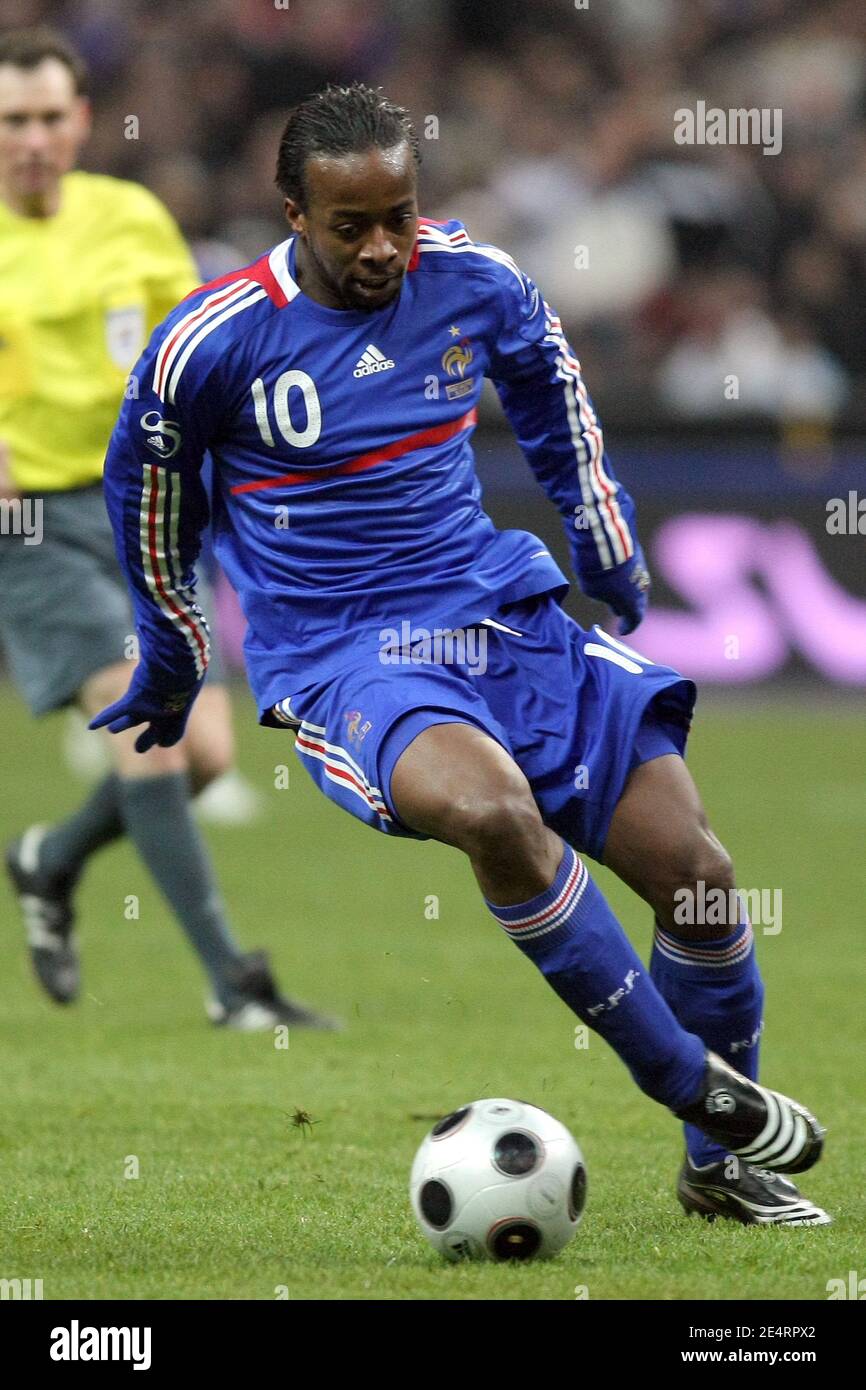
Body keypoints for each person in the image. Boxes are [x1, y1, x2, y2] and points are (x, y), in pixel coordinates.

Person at [94, 82, 828, 1224]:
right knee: (491, 813)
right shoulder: (214, 338)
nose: (385, 245)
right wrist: (174, 649)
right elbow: (146, 484)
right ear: (293, 211)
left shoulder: (474, 278)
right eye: (352, 226)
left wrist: (600, 533)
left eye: (400, 214)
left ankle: (717, 1165)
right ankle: (686, 1080)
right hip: (344, 657)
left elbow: (551, 387)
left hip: (498, 614)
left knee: (698, 875)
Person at [0, 27, 333, 1031]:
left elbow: (186, 352)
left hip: (149, 505)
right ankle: (235, 985)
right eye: (13, 121)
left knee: (207, 757)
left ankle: (47, 861)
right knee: (149, 736)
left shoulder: (132, 219)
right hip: (34, 521)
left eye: (51, 118)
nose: (33, 139)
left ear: (83, 120)